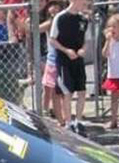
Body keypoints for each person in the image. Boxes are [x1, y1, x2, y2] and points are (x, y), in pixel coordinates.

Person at [50, 0, 89, 134]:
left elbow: (84, 40)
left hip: (78, 60)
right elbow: (52, 39)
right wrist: (66, 50)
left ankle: (78, 121)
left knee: (82, 90)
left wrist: (83, 49)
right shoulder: (60, 17)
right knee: (67, 91)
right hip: (64, 60)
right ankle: (68, 123)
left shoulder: (83, 19)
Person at [103, 14, 119, 129]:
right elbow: (105, 54)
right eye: (110, 26)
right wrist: (107, 41)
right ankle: (113, 120)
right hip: (114, 73)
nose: (112, 29)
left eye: (114, 26)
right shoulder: (110, 40)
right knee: (114, 99)